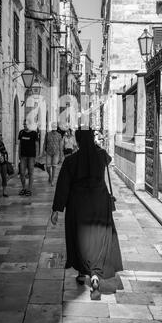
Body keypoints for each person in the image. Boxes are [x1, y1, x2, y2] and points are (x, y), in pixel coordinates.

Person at [51, 128, 123, 300]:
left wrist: (56, 209)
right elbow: (108, 157)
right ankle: (96, 275)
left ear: (78, 141)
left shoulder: (71, 161)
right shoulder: (101, 156)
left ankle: (82, 272)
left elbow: (63, 186)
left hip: (78, 206)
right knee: (98, 239)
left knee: (81, 239)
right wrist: (94, 146)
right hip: (99, 203)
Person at [18, 121, 39, 196]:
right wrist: (19, 154)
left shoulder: (34, 133)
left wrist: (36, 157)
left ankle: (29, 189)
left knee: (31, 173)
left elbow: (36, 145)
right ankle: (24, 188)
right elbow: (20, 145)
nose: (24, 126)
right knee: (22, 173)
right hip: (23, 156)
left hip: (31, 156)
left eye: (26, 124)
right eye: (24, 124)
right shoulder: (21, 132)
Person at [43, 122, 63, 186]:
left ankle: (52, 180)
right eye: (53, 128)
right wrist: (43, 151)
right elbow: (45, 143)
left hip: (56, 153)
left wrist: (61, 155)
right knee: (47, 167)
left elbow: (60, 145)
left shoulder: (59, 135)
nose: (54, 130)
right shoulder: (48, 134)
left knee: (54, 166)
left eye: (55, 128)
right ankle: (50, 176)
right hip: (48, 152)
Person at [0, 131, 9, 197]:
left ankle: (4, 191)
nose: (1, 137)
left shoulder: (2, 143)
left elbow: (5, 151)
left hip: (3, 162)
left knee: (4, 177)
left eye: (1, 135)